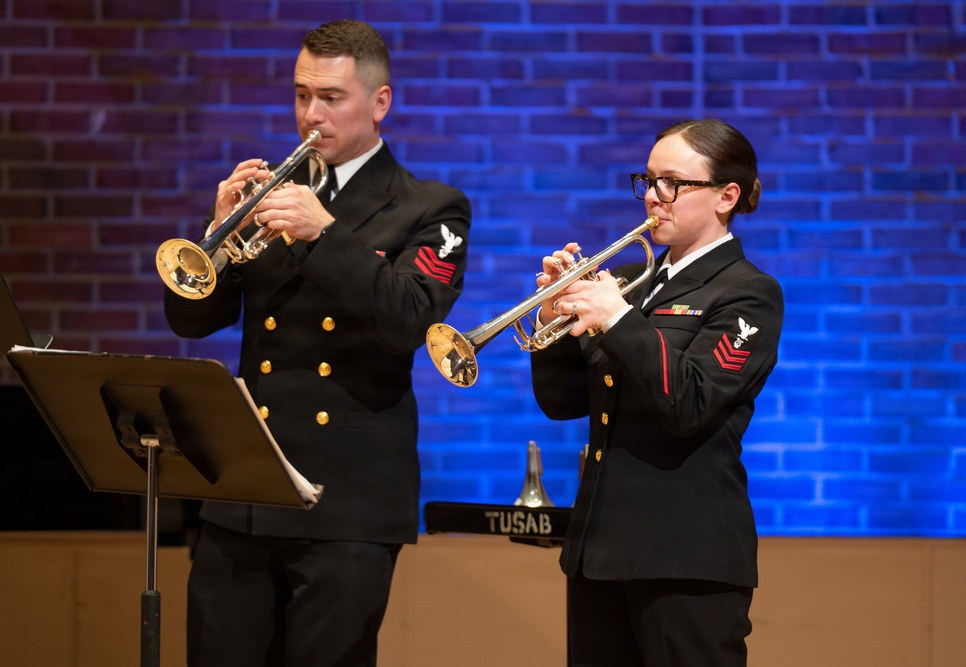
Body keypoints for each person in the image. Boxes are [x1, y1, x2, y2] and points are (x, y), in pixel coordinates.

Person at [163, 19, 471, 667]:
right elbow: (191, 321)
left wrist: (325, 234)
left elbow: (408, 321)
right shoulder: (273, 192)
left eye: (331, 98)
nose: (311, 115)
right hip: (246, 492)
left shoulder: (430, 207)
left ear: (380, 103)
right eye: (302, 95)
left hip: (348, 503)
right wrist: (216, 234)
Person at [530, 119, 783, 666]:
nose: (652, 195)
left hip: (685, 558)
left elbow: (690, 403)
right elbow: (563, 403)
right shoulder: (627, 280)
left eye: (672, 183)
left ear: (726, 196)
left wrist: (617, 320)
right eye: (647, 179)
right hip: (600, 551)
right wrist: (550, 317)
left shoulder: (749, 293)